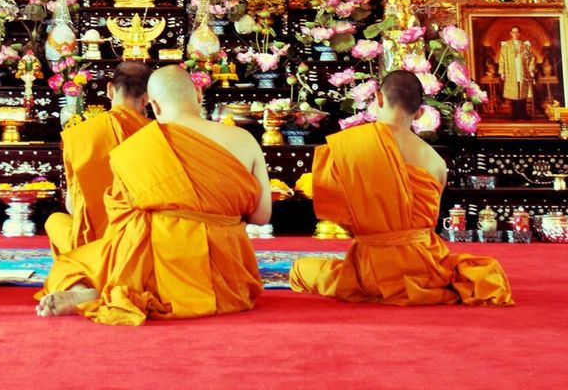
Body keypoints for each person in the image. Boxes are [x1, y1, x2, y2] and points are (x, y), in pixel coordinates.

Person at [36, 64, 270, 323]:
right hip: (229, 279)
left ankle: (92, 291)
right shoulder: (245, 139)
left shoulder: (138, 146)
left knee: (69, 265)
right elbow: (261, 216)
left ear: (155, 106)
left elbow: (120, 221)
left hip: (160, 270)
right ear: (198, 94)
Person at [289, 70, 512, 306]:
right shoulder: (436, 161)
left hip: (370, 271)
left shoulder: (353, 144)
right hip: (425, 270)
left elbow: (339, 215)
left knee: (301, 269)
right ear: (420, 112)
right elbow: (430, 220)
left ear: (379, 98)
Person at [45, 60, 151, 256]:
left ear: (110, 90)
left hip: (95, 242)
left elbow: (72, 207)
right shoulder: (158, 135)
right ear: (146, 99)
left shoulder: (81, 134)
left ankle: (82, 271)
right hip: (144, 238)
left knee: (54, 221)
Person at [498, 25, 536, 120]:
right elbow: (501, 59)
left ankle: (523, 114)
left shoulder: (525, 45)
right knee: (514, 94)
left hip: (523, 73)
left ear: (519, 33)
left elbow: (532, 58)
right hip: (511, 72)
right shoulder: (506, 46)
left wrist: (531, 69)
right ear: (511, 33)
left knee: (522, 94)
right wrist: (502, 72)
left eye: (517, 32)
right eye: (513, 32)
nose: (515, 34)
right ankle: (515, 115)